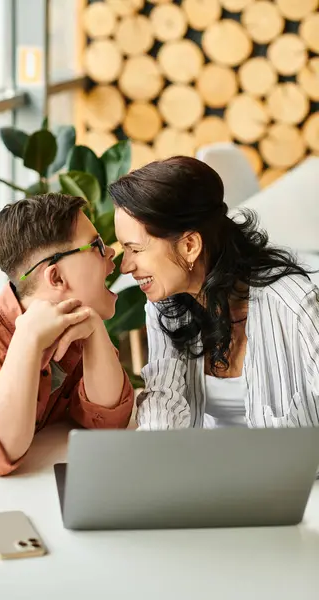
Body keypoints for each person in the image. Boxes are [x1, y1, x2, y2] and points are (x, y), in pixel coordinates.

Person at [0, 193, 134, 519]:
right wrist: (28, 342)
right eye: (98, 246)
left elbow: (108, 419)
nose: (112, 256)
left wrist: (96, 332)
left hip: (13, 508)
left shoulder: (74, 328)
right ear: (57, 277)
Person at [111, 156, 319, 430]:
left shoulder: (295, 306)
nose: (124, 266)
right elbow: (163, 400)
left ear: (189, 246)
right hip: (203, 471)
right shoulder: (165, 306)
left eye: (135, 249)